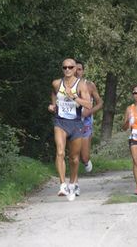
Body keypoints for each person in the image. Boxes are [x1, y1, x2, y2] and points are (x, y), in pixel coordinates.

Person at [48, 58, 92, 201]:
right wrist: (53, 105)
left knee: (74, 158)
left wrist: (73, 96)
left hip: (76, 123)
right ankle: (62, 185)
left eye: (70, 67)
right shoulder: (56, 83)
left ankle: (72, 183)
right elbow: (54, 94)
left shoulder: (81, 86)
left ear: (75, 69)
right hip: (60, 122)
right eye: (64, 67)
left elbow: (89, 105)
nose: (67, 70)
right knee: (60, 151)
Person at [72, 60, 103, 196]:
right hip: (71, 122)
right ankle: (75, 185)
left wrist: (89, 111)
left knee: (84, 157)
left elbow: (100, 103)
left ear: (83, 71)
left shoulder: (89, 85)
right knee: (74, 155)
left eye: (79, 69)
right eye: (74, 69)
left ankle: (86, 161)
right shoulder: (66, 86)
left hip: (85, 123)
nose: (77, 72)